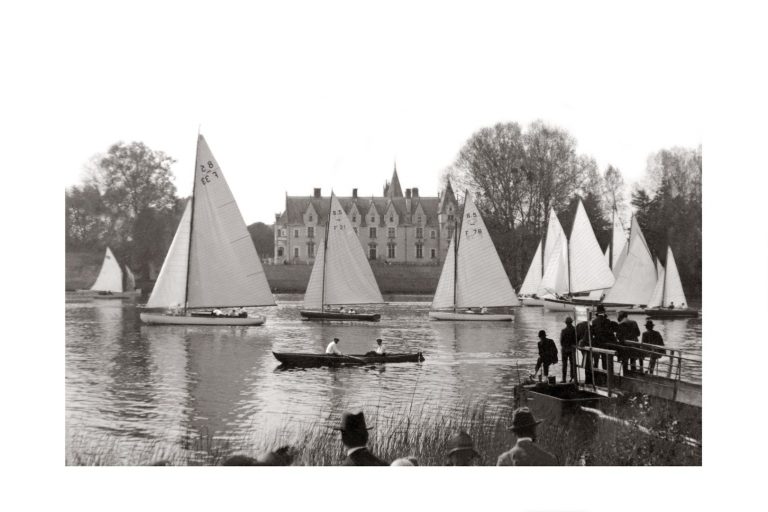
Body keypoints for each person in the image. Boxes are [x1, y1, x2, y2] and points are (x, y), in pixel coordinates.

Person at [560, 317, 577, 382]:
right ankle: (572, 378)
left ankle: (564, 379)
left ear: (566, 323)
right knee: (572, 364)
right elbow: (576, 340)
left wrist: (564, 346)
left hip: (564, 349)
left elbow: (561, 341)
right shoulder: (574, 330)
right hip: (572, 349)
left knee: (564, 365)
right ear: (571, 322)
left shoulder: (563, 331)